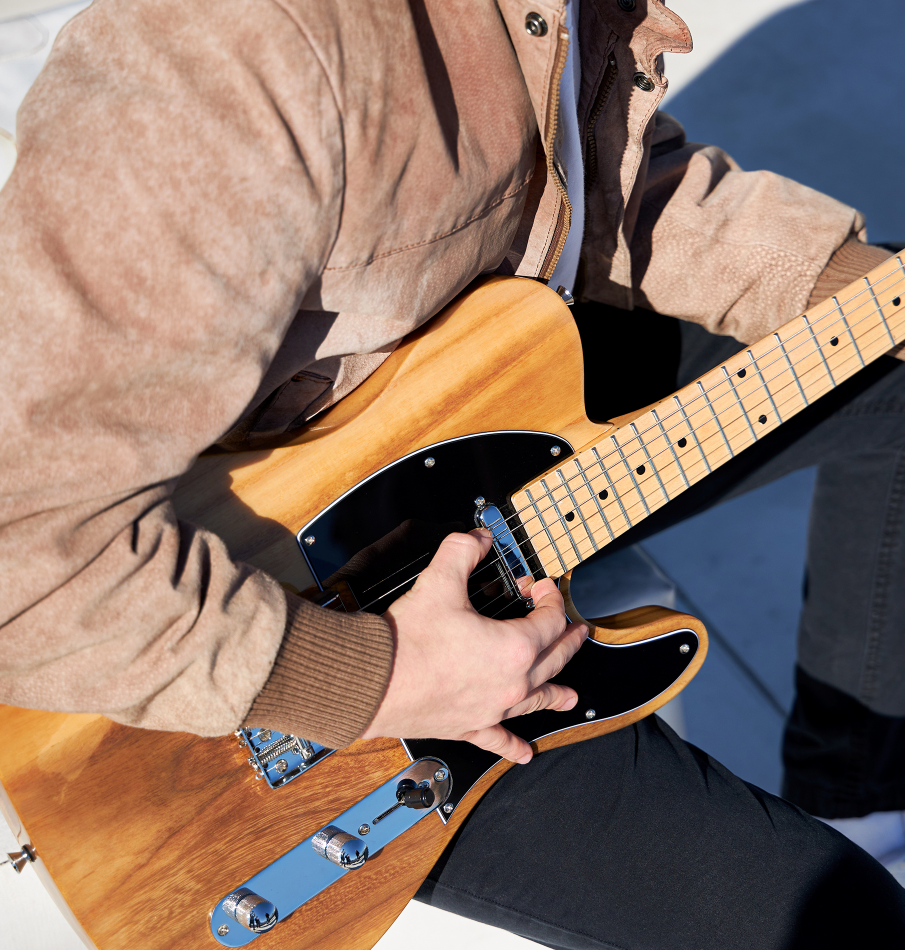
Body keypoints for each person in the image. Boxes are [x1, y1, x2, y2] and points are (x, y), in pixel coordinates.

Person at [1, 0, 904, 945]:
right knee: (839, 928)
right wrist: (374, 677)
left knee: (884, 382)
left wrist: (849, 293)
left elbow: (592, 187)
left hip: (471, 414)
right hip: (280, 670)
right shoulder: (234, 45)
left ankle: (855, 801)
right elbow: (20, 539)